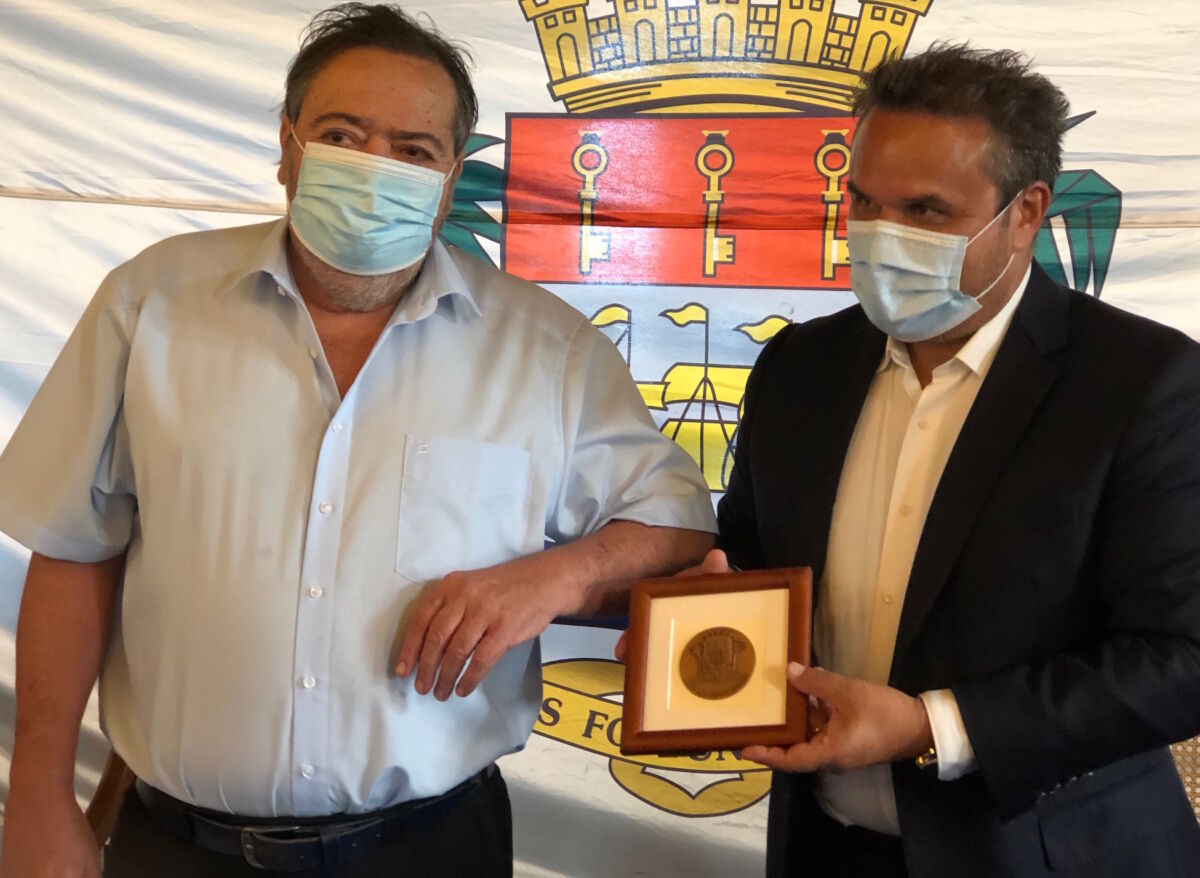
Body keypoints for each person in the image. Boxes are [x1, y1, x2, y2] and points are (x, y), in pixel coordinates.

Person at [0, 5, 715, 876]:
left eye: (413, 150)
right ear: (288, 147)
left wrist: (555, 577)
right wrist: (38, 791)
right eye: (342, 135)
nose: (376, 169)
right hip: (178, 846)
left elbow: (678, 526)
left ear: (450, 177)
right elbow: (74, 548)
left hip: (428, 849)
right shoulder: (150, 302)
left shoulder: (548, 351)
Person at [712, 44, 1200, 876]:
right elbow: (753, 554)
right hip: (822, 847)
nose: (881, 235)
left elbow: (1181, 659)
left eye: (926, 210)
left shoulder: (1145, 383)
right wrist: (710, 614)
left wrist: (932, 727)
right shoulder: (799, 367)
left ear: (1026, 211)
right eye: (864, 201)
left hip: (1047, 855)